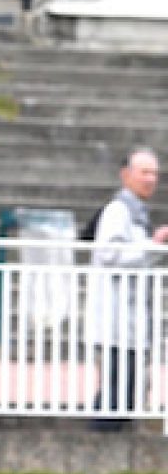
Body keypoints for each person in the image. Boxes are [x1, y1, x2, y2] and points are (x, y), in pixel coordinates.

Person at [88, 147, 168, 426]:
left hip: (131, 325)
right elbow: (109, 255)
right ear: (126, 175)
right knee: (116, 394)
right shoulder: (117, 211)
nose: (150, 179)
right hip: (115, 323)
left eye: (154, 174)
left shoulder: (137, 215)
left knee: (128, 394)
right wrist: (152, 246)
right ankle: (98, 450)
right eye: (144, 172)